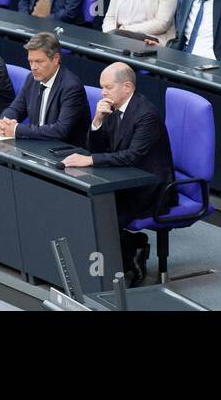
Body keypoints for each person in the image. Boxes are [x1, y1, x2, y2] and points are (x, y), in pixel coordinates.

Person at [63, 62, 176, 287]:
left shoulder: (146, 115)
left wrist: (90, 160)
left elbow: (132, 156)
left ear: (127, 86)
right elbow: (97, 147)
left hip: (151, 188)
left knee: (103, 214)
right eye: (101, 87)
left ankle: (131, 256)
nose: (103, 92)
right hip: (124, 180)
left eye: (107, 87)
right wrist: (97, 121)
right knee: (84, 206)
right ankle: (126, 250)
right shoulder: (112, 108)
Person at [0, 32, 90, 146]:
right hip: (38, 144)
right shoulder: (32, 79)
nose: (33, 67)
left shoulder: (71, 87)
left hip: (63, 151)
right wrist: (3, 123)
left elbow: (60, 131)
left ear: (55, 59)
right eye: (30, 61)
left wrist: (16, 129)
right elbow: (15, 109)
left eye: (39, 61)